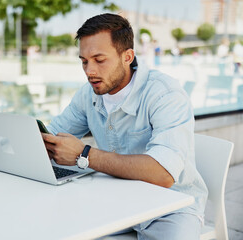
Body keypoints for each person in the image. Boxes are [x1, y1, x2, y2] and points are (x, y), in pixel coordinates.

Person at [42, 13, 207, 240]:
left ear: (127, 56)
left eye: (99, 60)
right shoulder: (88, 95)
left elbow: (164, 174)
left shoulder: (165, 94)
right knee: (52, 229)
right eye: (84, 61)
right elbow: (51, 135)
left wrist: (84, 154)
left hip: (171, 207)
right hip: (113, 198)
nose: (89, 71)